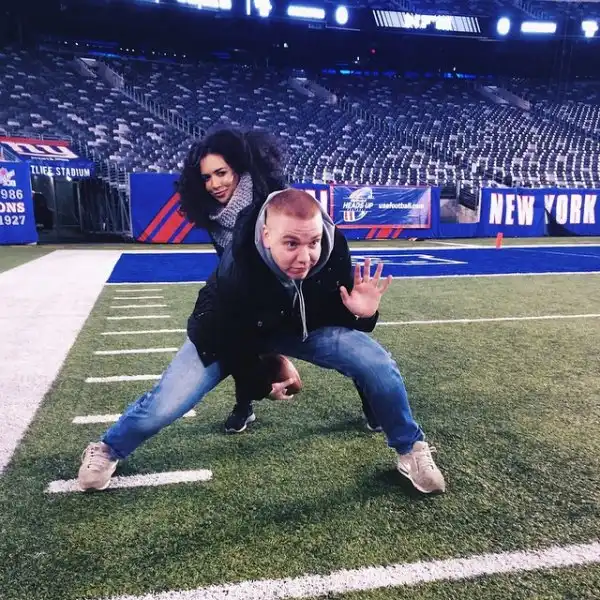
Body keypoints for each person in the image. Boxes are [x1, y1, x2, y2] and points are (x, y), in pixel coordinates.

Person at [78, 188, 446, 495]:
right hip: (227, 332)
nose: (305, 257)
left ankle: (410, 448)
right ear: (267, 236)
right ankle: (108, 448)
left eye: (313, 242)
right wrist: (263, 377)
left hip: (303, 326)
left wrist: (362, 315)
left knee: (376, 363)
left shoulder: (333, 248)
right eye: (291, 243)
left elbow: (336, 310)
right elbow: (236, 343)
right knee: (168, 402)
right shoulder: (240, 267)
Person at [178, 127, 381, 434]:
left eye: (221, 173)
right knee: (238, 330)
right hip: (260, 292)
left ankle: (372, 404)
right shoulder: (216, 217)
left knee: (347, 342)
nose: (215, 184)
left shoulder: (270, 202)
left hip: (305, 287)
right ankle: (244, 404)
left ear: (240, 169)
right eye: (206, 177)